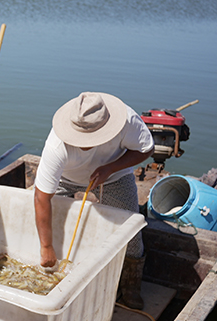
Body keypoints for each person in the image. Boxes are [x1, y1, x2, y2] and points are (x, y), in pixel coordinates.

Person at [34, 92, 154, 308]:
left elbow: (146, 149)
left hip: (114, 175)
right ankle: (54, 273)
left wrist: (110, 168)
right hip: (66, 177)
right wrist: (46, 247)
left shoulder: (127, 120)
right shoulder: (56, 146)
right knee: (45, 224)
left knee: (131, 229)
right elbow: (41, 197)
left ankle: (130, 285)